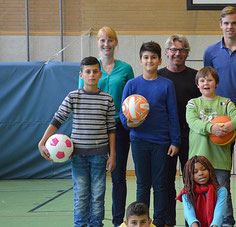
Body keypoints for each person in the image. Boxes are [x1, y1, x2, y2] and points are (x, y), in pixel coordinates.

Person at [38, 56, 116, 227]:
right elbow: (58, 119)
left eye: (95, 71)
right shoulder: (73, 96)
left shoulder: (107, 99)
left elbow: (111, 129)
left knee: (97, 195)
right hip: (78, 156)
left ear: (100, 74)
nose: (92, 75)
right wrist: (42, 142)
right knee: (81, 195)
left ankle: (96, 224)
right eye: (88, 72)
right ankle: (80, 224)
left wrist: (113, 154)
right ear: (81, 75)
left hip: (99, 156)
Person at [78, 26, 134, 227]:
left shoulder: (125, 69)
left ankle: (118, 221)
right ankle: (92, 221)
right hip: (93, 130)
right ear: (98, 43)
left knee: (118, 177)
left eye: (110, 40)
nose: (106, 44)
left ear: (116, 42)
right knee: (94, 180)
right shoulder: (91, 68)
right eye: (102, 40)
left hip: (118, 130)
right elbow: (81, 97)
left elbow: (131, 100)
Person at [120, 41, 180, 227]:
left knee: (161, 184)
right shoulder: (132, 84)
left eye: (153, 57)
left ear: (160, 60)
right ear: (140, 60)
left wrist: (175, 141)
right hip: (139, 141)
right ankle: (141, 221)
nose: (149, 61)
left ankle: (159, 222)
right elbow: (123, 115)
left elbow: (172, 113)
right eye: (146, 57)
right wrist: (129, 123)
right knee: (143, 184)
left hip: (162, 142)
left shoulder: (167, 85)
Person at [203, 5, 236, 194]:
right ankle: (225, 220)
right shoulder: (210, 52)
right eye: (226, 23)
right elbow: (206, 85)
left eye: (234, 23)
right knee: (220, 174)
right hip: (220, 122)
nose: (230, 27)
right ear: (220, 24)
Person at [186, 66, 236, 227]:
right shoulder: (193, 103)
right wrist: (211, 128)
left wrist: (230, 125)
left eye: (210, 80)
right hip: (198, 159)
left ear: (216, 83)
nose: (206, 83)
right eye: (202, 80)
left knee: (223, 193)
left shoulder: (226, 103)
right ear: (197, 84)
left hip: (220, 160)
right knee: (195, 193)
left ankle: (226, 222)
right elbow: (193, 122)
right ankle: (196, 222)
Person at [158, 34, 201, 227]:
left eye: (182, 50)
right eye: (173, 50)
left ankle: (191, 222)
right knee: (166, 183)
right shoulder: (159, 76)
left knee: (190, 182)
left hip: (190, 137)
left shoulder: (195, 77)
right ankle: (168, 222)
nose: (177, 54)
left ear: (187, 53)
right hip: (165, 138)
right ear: (166, 52)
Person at [176, 156, 227, 227]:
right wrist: (195, 225)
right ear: (190, 176)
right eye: (195, 172)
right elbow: (189, 213)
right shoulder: (186, 192)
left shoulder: (221, 191)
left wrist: (214, 225)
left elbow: (219, 212)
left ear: (210, 170)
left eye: (204, 169)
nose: (200, 173)